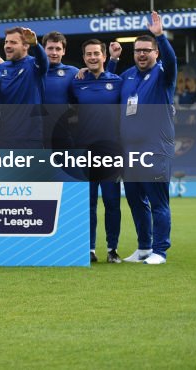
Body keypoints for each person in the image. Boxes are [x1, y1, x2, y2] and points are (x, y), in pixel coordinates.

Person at [119, 12, 177, 265]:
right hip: (129, 149)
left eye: (146, 50)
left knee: (157, 202)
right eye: (137, 51)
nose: (141, 54)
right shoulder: (128, 75)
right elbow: (110, 85)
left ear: (156, 53)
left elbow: (173, 61)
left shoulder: (164, 75)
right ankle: (144, 247)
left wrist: (160, 36)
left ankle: (160, 251)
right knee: (134, 200)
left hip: (155, 148)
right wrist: (109, 64)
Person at [68, 39, 123, 264]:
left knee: (112, 203)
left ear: (103, 56)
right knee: (88, 204)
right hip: (85, 152)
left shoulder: (117, 82)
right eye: (88, 54)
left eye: (96, 54)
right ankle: (89, 248)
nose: (92, 57)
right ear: (84, 58)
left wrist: (115, 61)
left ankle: (113, 249)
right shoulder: (76, 83)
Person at [0, 26, 48, 148]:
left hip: (30, 139)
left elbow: (44, 62)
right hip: (5, 138)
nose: (7, 46)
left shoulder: (33, 65)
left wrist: (35, 44)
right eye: (6, 42)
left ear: (25, 46)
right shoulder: (0, 68)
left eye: (13, 42)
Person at [42, 31, 79, 149]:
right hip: (35, 137)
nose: (54, 52)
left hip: (62, 136)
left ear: (64, 51)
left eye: (58, 49)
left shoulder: (73, 72)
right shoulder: (33, 71)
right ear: (43, 50)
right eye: (50, 48)